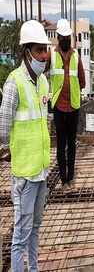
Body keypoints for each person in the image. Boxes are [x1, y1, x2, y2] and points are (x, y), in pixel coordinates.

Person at [0, 20, 51, 271]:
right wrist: (13, 149)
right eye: (39, 50)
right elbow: (2, 127)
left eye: (45, 49)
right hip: (24, 173)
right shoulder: (14, 82)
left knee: (35, 228)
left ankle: (34, 269)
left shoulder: (43, 82)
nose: (44, 55)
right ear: (26, 52)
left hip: (41, 170)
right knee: (20, 234)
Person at [49, 18, 85, 192]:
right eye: (62, 37)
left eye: (67, 37)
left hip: (73, 105)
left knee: (71, 144)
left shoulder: (76, 56)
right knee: (61, 144)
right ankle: (63, 179)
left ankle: (70, 178)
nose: (65, 40)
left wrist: (75, 88)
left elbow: (83, 81)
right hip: (58, 106)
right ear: (58, 37)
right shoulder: (51, 55)